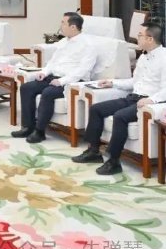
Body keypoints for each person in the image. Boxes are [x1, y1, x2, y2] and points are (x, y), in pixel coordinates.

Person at [71, 22, 166, 175]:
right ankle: (93, 151)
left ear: (150, 39)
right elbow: (134, 82)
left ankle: (113, 161)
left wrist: (151, 100)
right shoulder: (143, 57)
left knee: (120, 116)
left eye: (140, 35)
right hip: (132, 98)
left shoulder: (164, 58)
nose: (137, 38)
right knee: (96, 109)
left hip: (147, 103)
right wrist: (113, 83)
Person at [12, 12, 96, 143]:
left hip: (72, 82)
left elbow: (82, 70)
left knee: (48, 92)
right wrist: (44, 72)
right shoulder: (63, 42)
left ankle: (40, 132)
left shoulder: (88, 45)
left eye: (63, 23)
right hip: (54, 77)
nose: (60, 26)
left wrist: (62, 81)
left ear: (73, 27)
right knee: (26, 88)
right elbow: (52, 62)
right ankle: (28, 127)